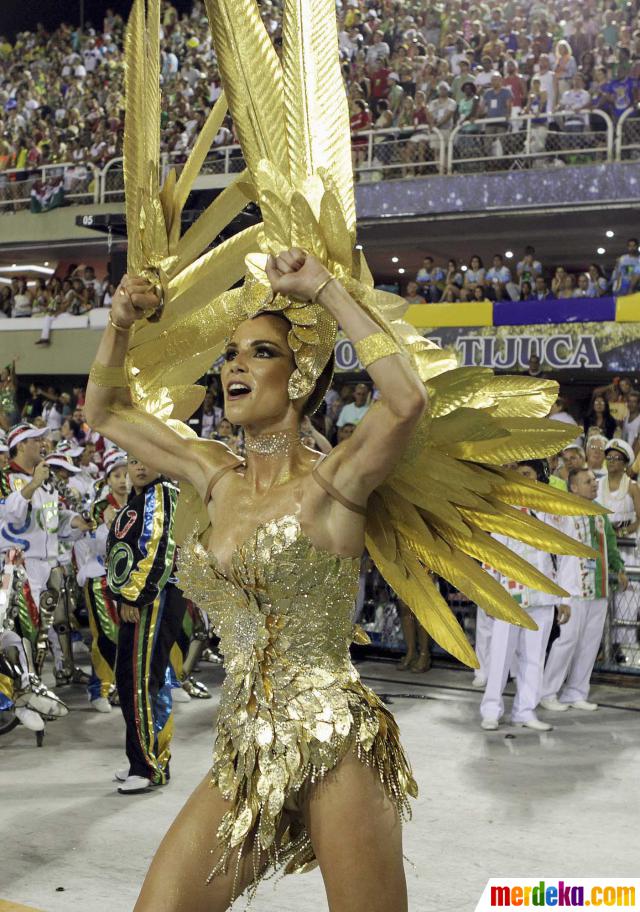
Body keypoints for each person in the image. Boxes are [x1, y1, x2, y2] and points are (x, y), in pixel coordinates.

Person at [107, 455, 188, 794]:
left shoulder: (161, 494)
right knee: (142, 679)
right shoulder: (144, 497)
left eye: (146, 460)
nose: (139, 467)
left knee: (138, 680)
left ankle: (146, 765)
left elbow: (157, 550)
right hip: (150, 597)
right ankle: (149, 761)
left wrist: (132, 596)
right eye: (133, 461)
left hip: (151, 599)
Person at [480, 460, 570, 732]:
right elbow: (492, 553)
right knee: (500, 656)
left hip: (542, 597)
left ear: (539, 477)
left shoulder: (549, 512)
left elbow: (562, 557)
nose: (522, 479)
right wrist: (488, 595)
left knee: (534, 656)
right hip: (510, 595)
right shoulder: (505, 512)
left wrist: (564, 599)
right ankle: (491, 709)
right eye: (518, 475)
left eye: (527, 474)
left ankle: (525, 711)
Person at [0, 423, 92, 688]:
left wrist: (75, 522)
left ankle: (61, 672)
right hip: (18, 566)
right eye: (35, 440)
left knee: (56, 625)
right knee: (24, 630)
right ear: (20, 446)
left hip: (49, 564)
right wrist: (33, 484)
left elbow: (52, 521)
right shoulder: (4, 478)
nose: (43, 443)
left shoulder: (48, 481)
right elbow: (11, 515)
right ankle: (24, 684)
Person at [541, 467, 627, 712]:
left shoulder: (600, 515)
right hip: (572, 590)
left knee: (589, 645)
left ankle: (576, 692)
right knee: (566, 642)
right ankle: (548, 692)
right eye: (587, 481)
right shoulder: (564, 514)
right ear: (574, 487)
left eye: (593, 480)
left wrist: (619, 568)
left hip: (599, 590)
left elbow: (609, 545)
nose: (593, 484)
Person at [74, 449, 128, 712]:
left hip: (131, 581)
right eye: (116, 475)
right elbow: (91, 545)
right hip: (101, 578)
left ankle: (122, 687)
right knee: (107, 635)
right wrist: (108, 526)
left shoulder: (139, 503)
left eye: (126, 474)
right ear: (107, 479)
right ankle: (99, 690)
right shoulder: (97, 508)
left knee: (130, 637)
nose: (122, 480)